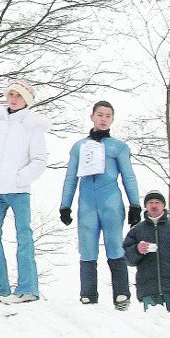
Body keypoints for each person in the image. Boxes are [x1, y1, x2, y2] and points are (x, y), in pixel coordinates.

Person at [59, 100, 141, 310]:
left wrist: (134, 205)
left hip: (110, 201)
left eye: (108, 116)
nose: (103, 119)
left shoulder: (118, 147)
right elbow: (70, 178)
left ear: (112, 119)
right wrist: (65, 205)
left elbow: (128, 176)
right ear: (92, 117)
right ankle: (88, 294)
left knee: (114, 245)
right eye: (100, 115)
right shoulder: (79, 146)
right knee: (87, 248)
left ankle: (121, 293)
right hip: (87, 202)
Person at [0, 79, 50, 303]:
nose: (13, 98)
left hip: (18, 191)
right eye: (11, 94)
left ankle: (27, 288)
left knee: (23, 236)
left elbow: (39, 160)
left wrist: (20, 179)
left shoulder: (32, 125)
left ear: (26, 99)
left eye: (18, 95)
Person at [123, 189, 170, 312]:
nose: (154, 206)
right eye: (151, 203)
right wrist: (137, 250)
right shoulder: (137, 230)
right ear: (146, 206)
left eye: (158, 202)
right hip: (149, 289)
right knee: (154, 329)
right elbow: (125, 258)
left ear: (163, 206)